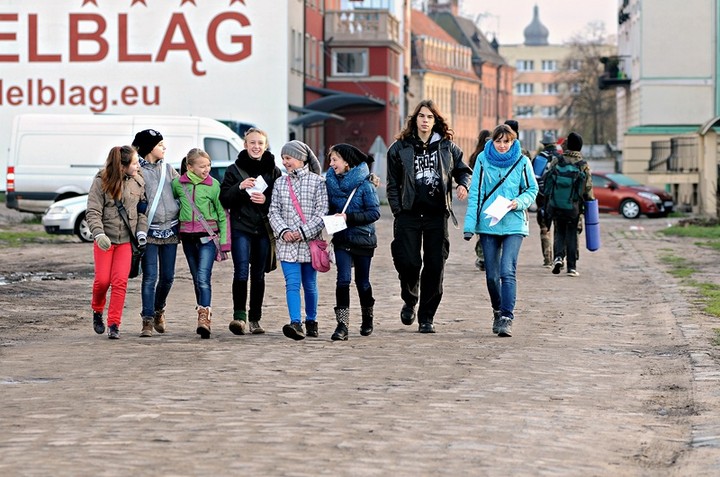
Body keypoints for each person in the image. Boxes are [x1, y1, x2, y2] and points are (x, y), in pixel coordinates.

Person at [386, 99, 472, 334]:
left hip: (436, 215)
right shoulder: (399, 148)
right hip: (409, 214)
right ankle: (410, 299)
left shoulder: (447, 147)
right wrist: (397, 210)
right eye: (422, 116)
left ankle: (426, 317)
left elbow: (463, 170)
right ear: (415, 120)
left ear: (436, 121)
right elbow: (392, 184)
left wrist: (462, 184)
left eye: (430, 117)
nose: (425, 121)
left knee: (435, 265)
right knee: (409, 262)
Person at [463, 124, 538, 338]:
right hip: (489, 223)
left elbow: (532, 189)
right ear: (492, 141)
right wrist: (470, 226)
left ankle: (507, 317)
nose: (503, 145)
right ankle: (497, 310)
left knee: (508, 270)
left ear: (513, 141)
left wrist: (518, 202)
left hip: (514, 222)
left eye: (507, 141)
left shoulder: (522, 161)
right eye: (499, 141)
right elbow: (475, 192)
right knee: (491, 276)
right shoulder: (482, 160)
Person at [220, 127, 282, 335]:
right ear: (245, 145)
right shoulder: (233, 170)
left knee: (258, 275)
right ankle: (239, 318)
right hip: (241, 228)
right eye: (252, 143)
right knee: (241, 272)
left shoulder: (274, 171)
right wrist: (239, 187)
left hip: (263, 229)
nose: (256, 147)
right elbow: (224, 199)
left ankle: (255, 318)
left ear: (265, 146)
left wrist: (266, 200)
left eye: (260, 144)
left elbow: (282, 202)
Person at [86, 145, 148, 339]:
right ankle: (97, 310)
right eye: (135, 163)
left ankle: (114, 324)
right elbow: (93, 211)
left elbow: (141, 212)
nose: (138, 166)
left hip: (125, 242)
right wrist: (98, 234)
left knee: (120, 282)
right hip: (105, 240)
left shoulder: (138, 182)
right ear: (123, 166)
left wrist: (141, 233)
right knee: (103, 281)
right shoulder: (101, 181)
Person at [268, 140, 327, 341]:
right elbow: (273, 211)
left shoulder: (318, 182)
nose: (285, 162)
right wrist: (284, 231)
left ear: (301, 158)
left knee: (310, 284)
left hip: (309, 243)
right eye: (283, 158)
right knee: (292, 283)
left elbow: (322, 213)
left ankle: (312, 320)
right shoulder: (280, 183)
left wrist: (302, 232)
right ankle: (295, 322)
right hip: (287, 244)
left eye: (288, 158)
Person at [325, 143, 381, 341]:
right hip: (341, 239)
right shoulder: (330, 183)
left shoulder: (364, 185)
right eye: (330, 160)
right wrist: (330, 216)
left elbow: (375, 212)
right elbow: (327, 207)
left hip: (363, 239)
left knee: (362, 282)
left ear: (346, 162)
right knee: (343, 280)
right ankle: (342, 325)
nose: (331, 164)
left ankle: (367, 317)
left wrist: (348, 217)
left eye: (334, 160)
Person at [172, 148, 229, 339]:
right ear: (189, 167)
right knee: (196, 277)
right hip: (188, 238)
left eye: (208, 165)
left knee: (204, 277)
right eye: (202, 166)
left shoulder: (214, 185)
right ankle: (202, 311)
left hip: (208, 237)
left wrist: (223, 242)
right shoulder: (178, 185)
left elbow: (222, 214)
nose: (207, 169)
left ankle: (204, 317)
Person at [132, 129, 180, 338]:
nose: (164, 148)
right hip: (148, 231)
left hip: (170, 229)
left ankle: (159, 308)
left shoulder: (169, 170)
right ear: (150, 148)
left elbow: (181, 191)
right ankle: (147, 319)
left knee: (168, 277)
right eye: (160, 145)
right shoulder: (137, 172)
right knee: (150, 276)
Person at [545, 132, 594, 277]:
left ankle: (558, 258)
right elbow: (588, 187)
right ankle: (571, 267)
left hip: (556, 204)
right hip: (573, 206)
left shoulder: (557, 161)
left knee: (559, 231)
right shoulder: (583, 164)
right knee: (571, 234)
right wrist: (589, 202)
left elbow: (548, 180)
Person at [534, 132, 562, 268]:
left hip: (543, 200)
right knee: (559, 229)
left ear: (543, 144)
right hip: (559, 199)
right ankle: (559, 257)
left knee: (545, 229)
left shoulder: (539, 158)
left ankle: (547, 259)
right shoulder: (562, 158)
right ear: (555, 143)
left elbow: (535, 179)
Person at [469, 129, 491, 271]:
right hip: (490, 194)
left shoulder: (475, 156)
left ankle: (482, 256)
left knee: (481, 228)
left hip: (479, 197)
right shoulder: (489, 155)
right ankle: (487, 256)